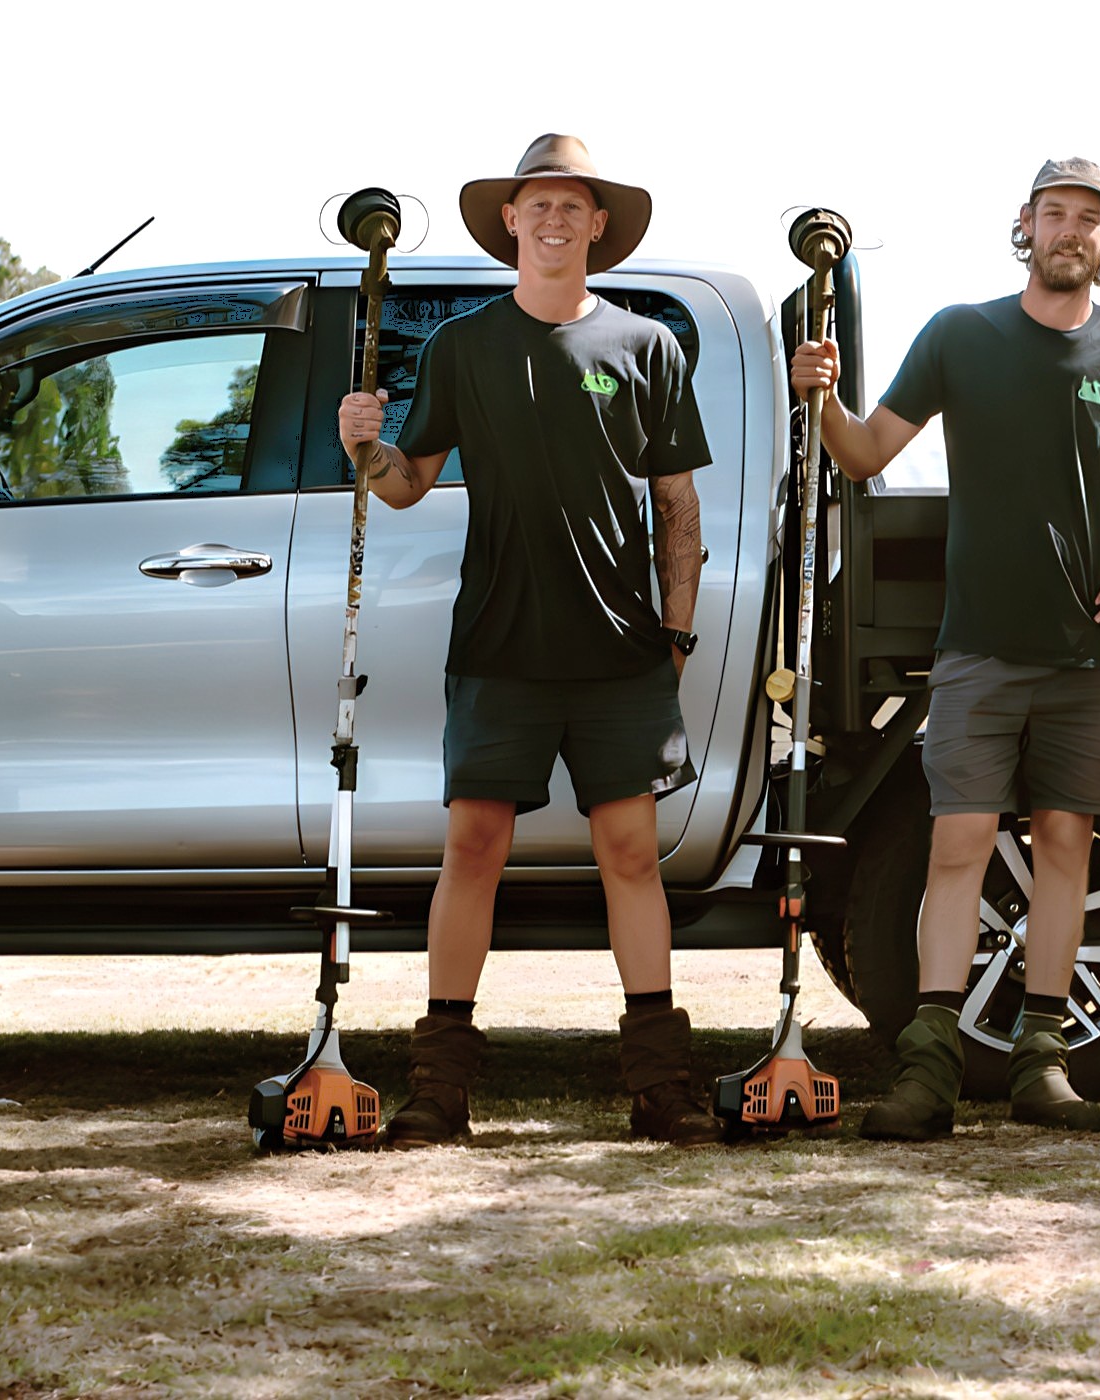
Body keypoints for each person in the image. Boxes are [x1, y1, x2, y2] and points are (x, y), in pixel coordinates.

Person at [784, 157, 1100, 1138]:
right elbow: (866, 454)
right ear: (1025, 227)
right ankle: (927, 1070)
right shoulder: (961, 334)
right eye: (1053, 213)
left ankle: (1044, 1064)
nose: (1069, 229)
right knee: (956, 849)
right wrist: (819, 399)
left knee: (1067, 848)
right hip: (977, 654)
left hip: (1090, 663)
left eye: (1088, 217)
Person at [332, 134, 715, 1147]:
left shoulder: (646, 347)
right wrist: (365, 447)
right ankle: (439, 1086)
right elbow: (408, 486)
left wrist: (674, 635)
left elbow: (679, 509)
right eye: (535, 203)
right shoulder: (462, 346)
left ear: (597, 225)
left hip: (620, 648)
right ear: (510, 221)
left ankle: (661, 1082)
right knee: (473, 844)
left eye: (571, 205)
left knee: (631, 852)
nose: (552, 219)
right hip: (497, 640)